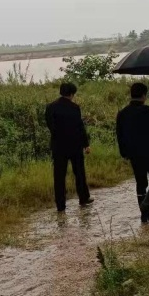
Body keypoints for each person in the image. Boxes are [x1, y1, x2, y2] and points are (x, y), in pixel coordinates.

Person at [116, 82, 149, 223]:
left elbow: (119, 135)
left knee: (141, 183)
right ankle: (146, 206)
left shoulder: (122, 113)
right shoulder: (147, 111)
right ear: (144, 95)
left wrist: (124, 153)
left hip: (134, 154)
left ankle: (145, 215)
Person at [45, 82, 93, 211]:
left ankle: (60, 205)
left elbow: (50, 126)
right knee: (79, 173)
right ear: (72, 94)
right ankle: (83, 198)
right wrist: (86, 144)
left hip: (58, 146)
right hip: (75, 145)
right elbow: (80, 127)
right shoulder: (75, 107)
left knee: (59, 176)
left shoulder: (50, 107)